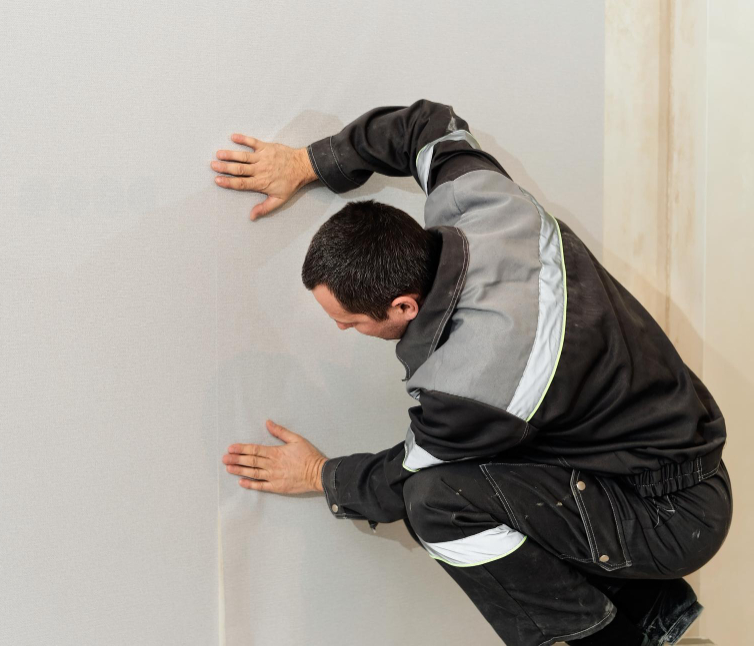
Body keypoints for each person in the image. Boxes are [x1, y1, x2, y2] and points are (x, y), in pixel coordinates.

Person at [212, 99, 732, 646]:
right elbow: (424, 127)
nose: (344, 332)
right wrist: (310, 162)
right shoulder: (486, 202)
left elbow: (402, 477)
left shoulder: (474, 380)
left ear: (404, 306)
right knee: (495, 453)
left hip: (668, 515)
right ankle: (652, 611)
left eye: (353, 322)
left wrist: (322, 475)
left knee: (436, 502)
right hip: (663, 462)